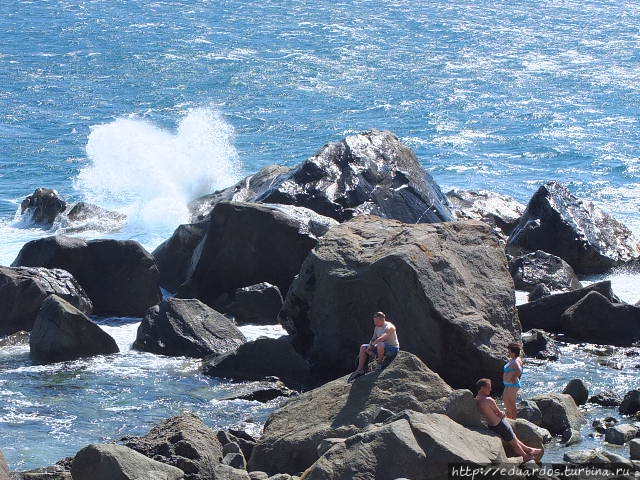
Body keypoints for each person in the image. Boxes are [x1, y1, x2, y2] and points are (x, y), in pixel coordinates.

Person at [475, 378, 542, 463]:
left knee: (513, 438)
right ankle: (525, 456)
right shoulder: (489, 400)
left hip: (491, 426)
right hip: (500, 424)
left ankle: (528, 449)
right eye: (488, 387)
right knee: (514, 443)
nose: (490, 389)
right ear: (482, 388)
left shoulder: (477, 399)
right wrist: (503, 413)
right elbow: (499, 413)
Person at [348, 312, 399, 380]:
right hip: (380, 347)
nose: (375, 323)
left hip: (392, 348)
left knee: (380, 344)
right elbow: (373, 338)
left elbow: (383, 338)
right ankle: (360, 369)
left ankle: (379, 364)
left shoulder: (390, 327)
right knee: (363, 347)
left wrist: (372, 345)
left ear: (382, 319)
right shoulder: (377, 327)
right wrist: (369, 346)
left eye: (377, 321)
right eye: (374, 321)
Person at [502, 342, 523, 419]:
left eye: (509, 351)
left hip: (513, 385)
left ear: (513, 352)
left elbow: (519, 370)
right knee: (506, 402)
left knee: (511, 404)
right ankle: (509, 419)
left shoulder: (516, 360)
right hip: (508, 384)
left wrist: (513, 377)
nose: (508, 352)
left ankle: (514, 420)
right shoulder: (513, 359)